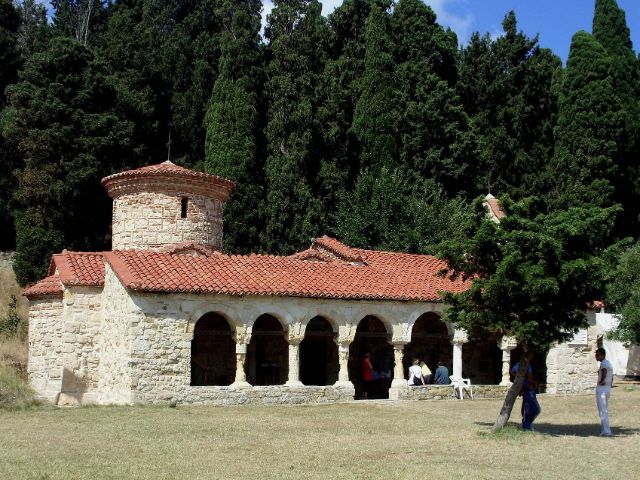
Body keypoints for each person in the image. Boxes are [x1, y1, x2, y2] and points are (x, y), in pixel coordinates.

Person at [510, 360, 541, 431]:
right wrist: (535, 383)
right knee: (536, 409)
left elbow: (512, 372)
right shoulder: (526, 365)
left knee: (527, 408)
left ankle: (526, 424)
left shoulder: (519, 364)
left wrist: (519, 378)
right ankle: (526, 425)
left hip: (525, 389)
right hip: (529, 389)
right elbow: (530, 378)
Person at [595, 347, 614, 436]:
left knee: (602, 411)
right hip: (607, 389)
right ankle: (604, 430)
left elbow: (604, 371)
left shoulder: (603, 364)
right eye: (596, 354)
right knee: (604, 409)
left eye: (598, 355)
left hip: (602, 390)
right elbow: (611, 377)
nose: (596, 356)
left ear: (602, 355)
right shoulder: (608, 363)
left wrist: (602, 381)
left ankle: (606, 431)